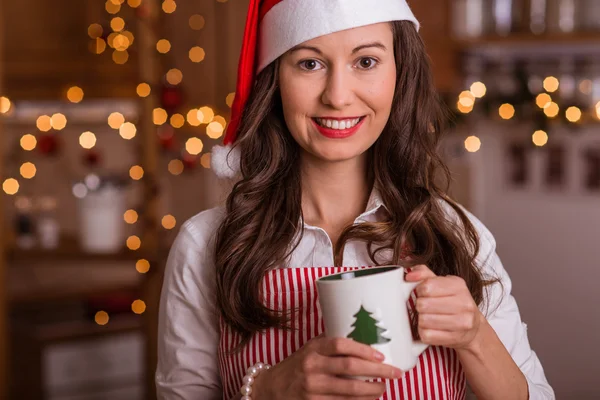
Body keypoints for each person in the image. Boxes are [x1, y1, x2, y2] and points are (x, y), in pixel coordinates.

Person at [156, 0, 555, 399]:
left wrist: (474, 337)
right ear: (274, 78)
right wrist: (266, 390)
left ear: (400, 73)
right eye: (309, 63)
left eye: (366, 62)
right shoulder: (206, 244)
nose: (338, 96)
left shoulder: (457, 236)